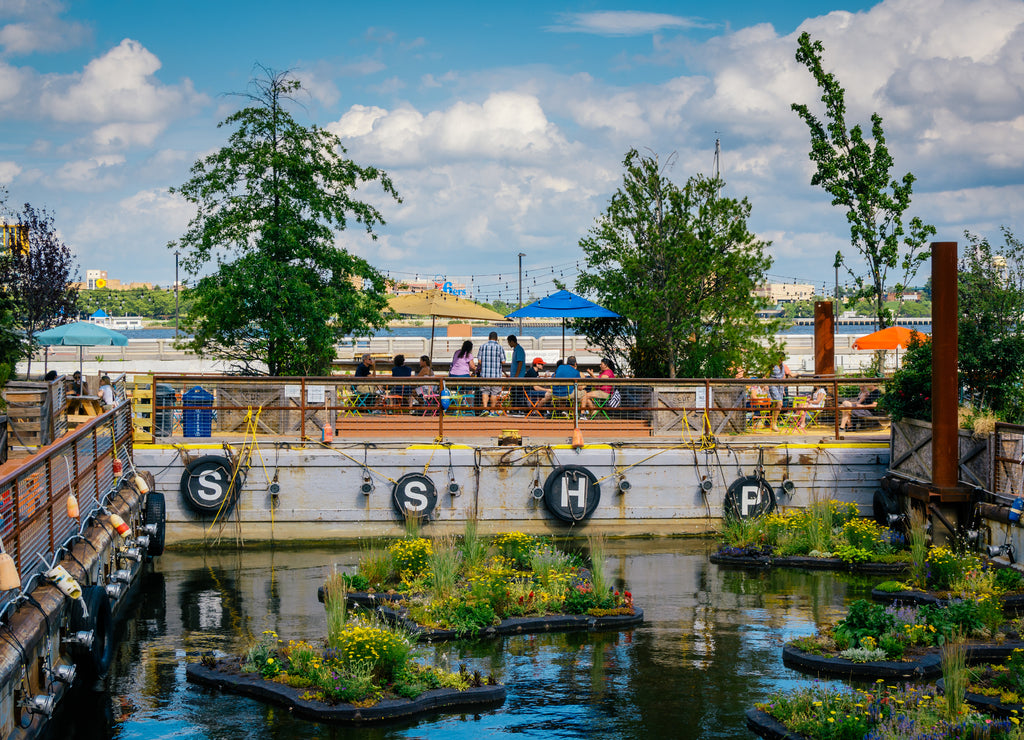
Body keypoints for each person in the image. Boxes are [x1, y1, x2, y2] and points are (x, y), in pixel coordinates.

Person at [476, 331, 506, 412]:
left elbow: (479, 361)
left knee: (485, 392)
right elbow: (503, 361)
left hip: (485, 374)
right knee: (494, 393)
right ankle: (492, 411)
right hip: (496, 375)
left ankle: (485, 409)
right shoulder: (500, 348)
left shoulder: (482, 346)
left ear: (489, 338)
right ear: (496, 339)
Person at [768, 354, 793, 432]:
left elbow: (790, 374)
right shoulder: (772, 365)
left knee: (776, 404)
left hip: (781, 386)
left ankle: (772, 422)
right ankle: (774, 424)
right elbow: (766, 375)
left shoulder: (783, 366)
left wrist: (799, 374)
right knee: (779, 403)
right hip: (773, 384)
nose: (781, 360)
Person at [507, 334, 527, 409]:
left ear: (512, 341)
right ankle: (515, 409)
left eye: (509, 342)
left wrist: (516, 376)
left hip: (518, 377)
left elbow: (520, 363)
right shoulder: (516, 350)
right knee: (514, 394)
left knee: (518, 395)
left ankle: (519, 409)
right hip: (515, 377)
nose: (509, 344)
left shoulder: (519, 350)